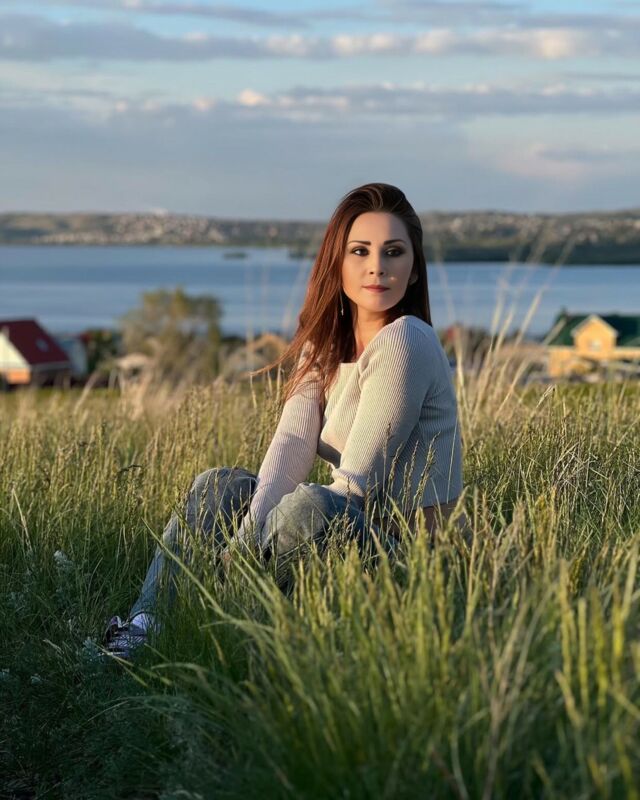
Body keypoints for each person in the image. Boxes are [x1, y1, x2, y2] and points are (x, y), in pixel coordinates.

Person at [103, 182, 469, 660]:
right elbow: (293, 442)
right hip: (348, 531)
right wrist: (245, 539)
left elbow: (355, 487)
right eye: (360, 251)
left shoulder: (407, 340)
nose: (377, 266)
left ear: (414, 269)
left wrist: (241, 558)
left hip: (409, 557)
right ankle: (147, 626)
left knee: (310, 506)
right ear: (337, 264)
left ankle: (219, 621)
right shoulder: (324, 343)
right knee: (221, 485)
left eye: (394, 252)